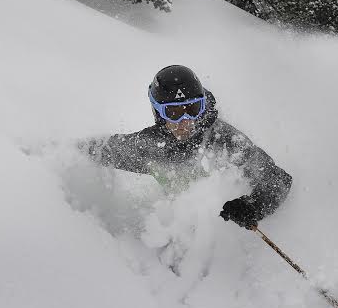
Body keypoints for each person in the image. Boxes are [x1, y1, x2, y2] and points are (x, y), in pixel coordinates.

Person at [86, 65, 292, 230]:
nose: (186, 121)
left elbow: (278, 181)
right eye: (174, 113)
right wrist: (63, 153)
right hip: (179, 237)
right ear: (158, 113)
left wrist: (253, 205)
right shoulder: (150, 146)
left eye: (193, 108)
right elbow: (102, 150)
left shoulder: (224, 140)